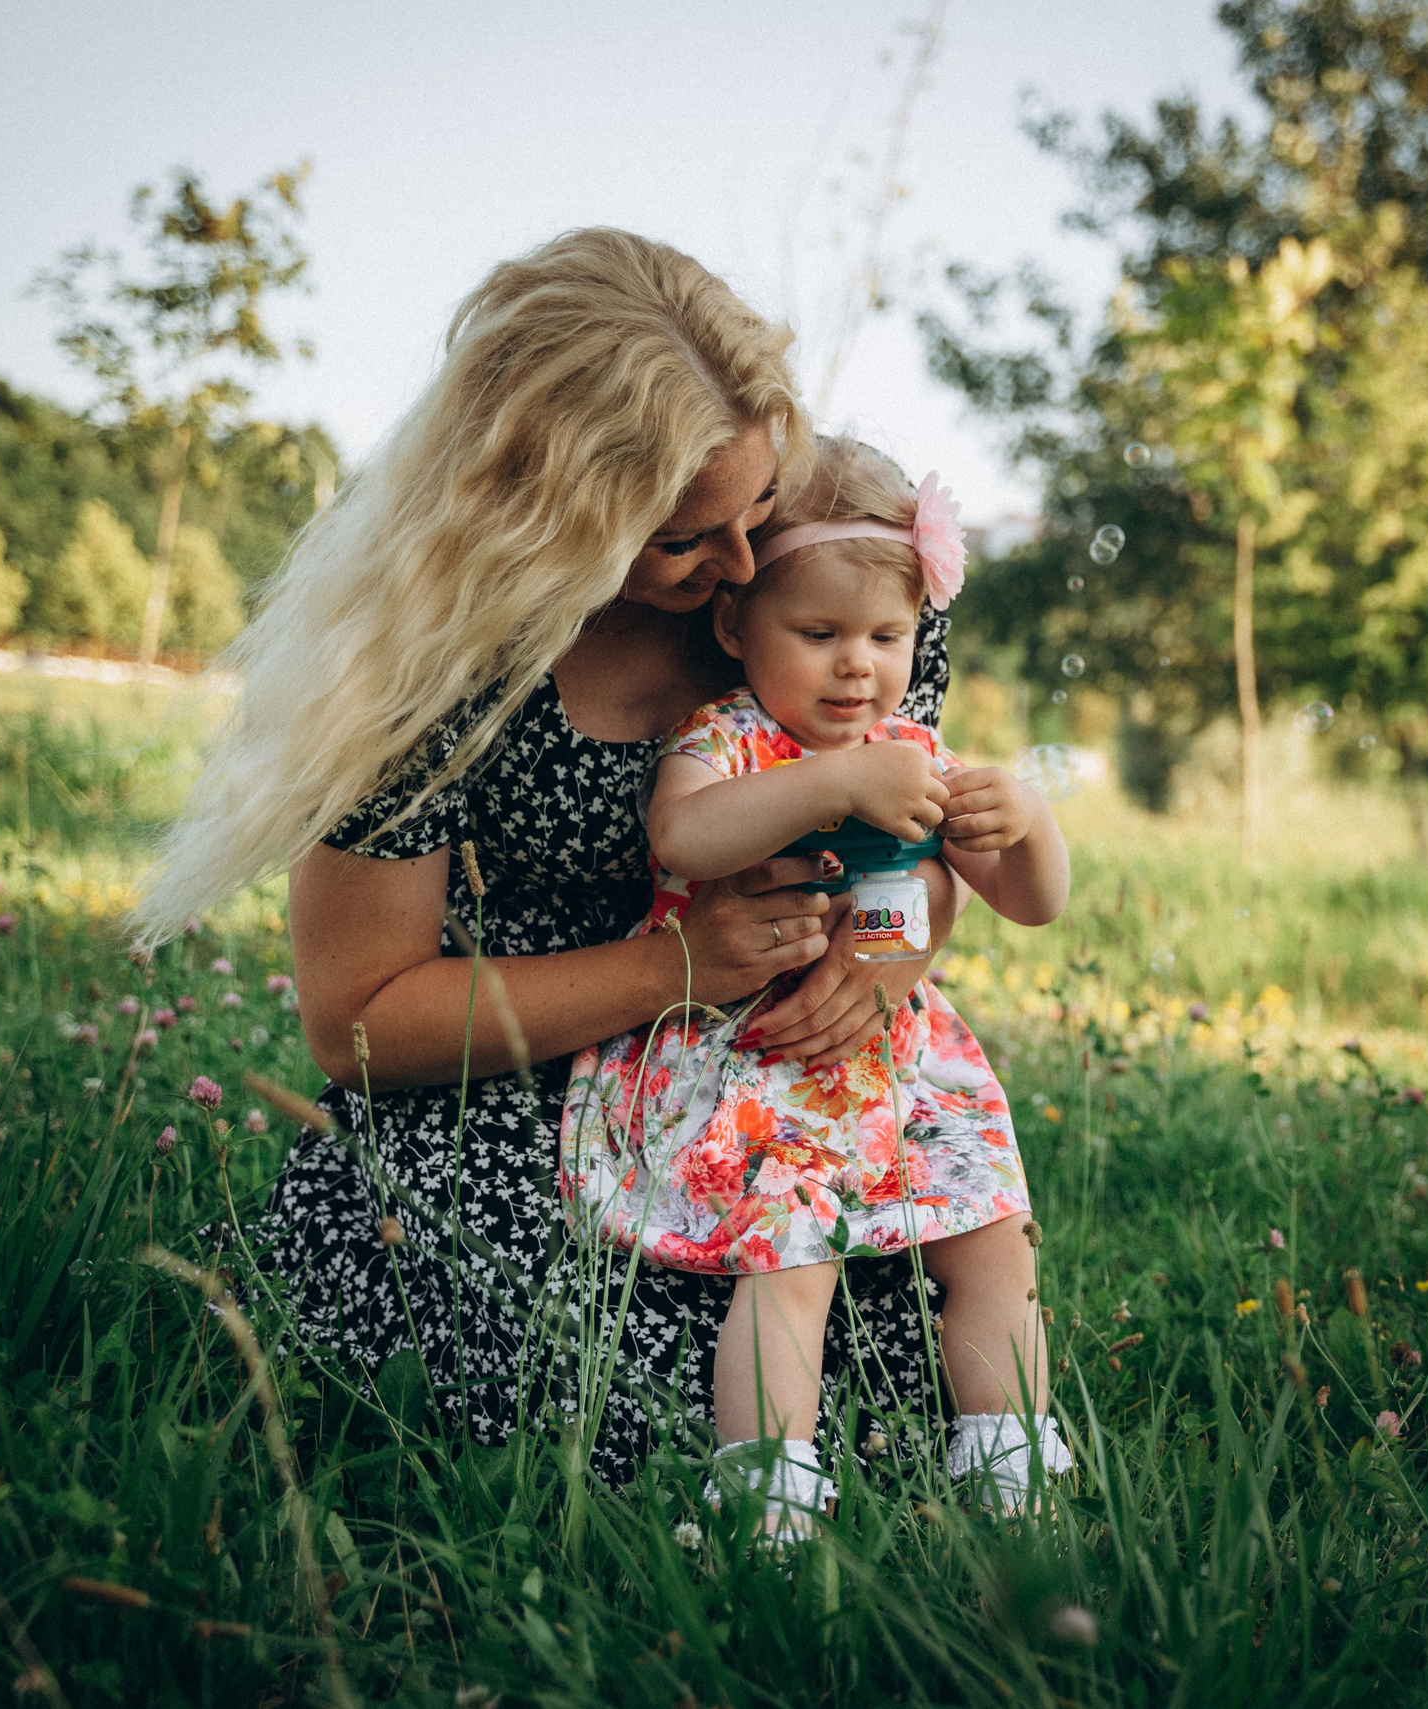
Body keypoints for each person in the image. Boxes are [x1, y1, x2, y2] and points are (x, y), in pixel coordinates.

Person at [130, 229, 954, 1480]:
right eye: (686, 540)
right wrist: (674, 966)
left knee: (919, 1376)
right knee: (622, 1417)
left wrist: (892, 958)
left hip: (765, 1088)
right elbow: (353, 1020)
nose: (742, 567)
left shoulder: (825, 575)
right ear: (556, 521)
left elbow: (922, 834)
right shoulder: (436, 671)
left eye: (756, 509)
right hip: (507, 1097)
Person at [561, 439, 1070, 1523]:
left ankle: (1009, 1456)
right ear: (737, 627)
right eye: (821, 633)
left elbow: (1030, 900)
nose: (859, 666)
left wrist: (1025, 825)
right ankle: (768, 1487)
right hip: (753, 1057)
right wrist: (833, 779)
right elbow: (687, 838)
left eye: (888, 636)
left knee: (991, 1231)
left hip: (897, 1057)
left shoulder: (911, 748)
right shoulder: (727, 737)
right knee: (791, 1258)